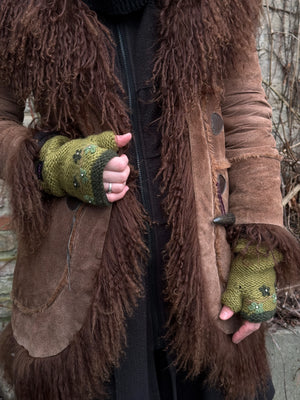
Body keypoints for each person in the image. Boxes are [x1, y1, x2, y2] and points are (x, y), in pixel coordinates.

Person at [0, 0, 299, 399]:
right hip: (77, 293)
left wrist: (258, 252)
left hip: (209, 282)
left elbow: (245, 114)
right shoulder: (19, 9)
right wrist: (50, 161)